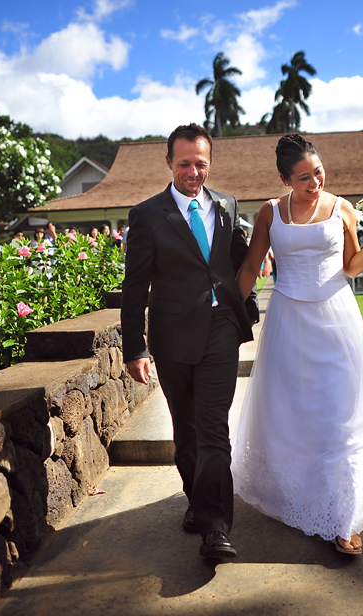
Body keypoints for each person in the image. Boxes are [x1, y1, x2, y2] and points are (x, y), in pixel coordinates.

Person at [232, 134, 363, 556]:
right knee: (296, 415)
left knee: (339, 417)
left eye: (318, 172)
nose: (314, 182)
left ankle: (342, 519)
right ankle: (300, 495)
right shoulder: (270, 213)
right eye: (303, 178)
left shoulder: (342, 208)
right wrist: (220, 313)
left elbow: (352, 266)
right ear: (284, 178)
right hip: (289, 324)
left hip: (337, 323)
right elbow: (249, 269)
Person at [121, 123, 258, 560]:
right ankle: (196, 502)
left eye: (201, 163)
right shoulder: (147, 215)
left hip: (222, 330)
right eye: (185, 163)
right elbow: (135, 286)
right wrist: (135, 347)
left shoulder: (227, 205)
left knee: (215, 427)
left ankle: (216, 529)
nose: (193, 172)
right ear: (169, 163)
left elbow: (236, 260)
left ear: (210, 162)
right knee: (188, 433)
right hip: (172, 337)